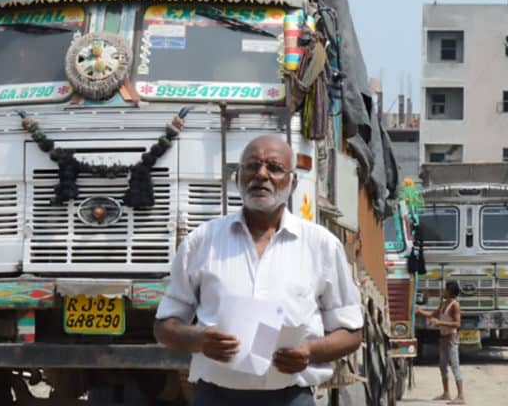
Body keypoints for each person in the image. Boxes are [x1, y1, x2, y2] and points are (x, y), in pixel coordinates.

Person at [154, 134, 363, 405]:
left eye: (274, 168)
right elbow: (164, 326)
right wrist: (199, 339)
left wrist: (310, 350)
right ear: (239, 176)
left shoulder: (321, 245)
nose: (261, 174)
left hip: (290, 397)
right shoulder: (202, 241)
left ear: (293, 182)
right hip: (215, 396)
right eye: (252, 166)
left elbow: (351, 333)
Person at [416, 280, 465, 404]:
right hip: (443, 338)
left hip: (451, 339)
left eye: (445, 289)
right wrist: (420, 311)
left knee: (455, 367)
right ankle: (446, 393)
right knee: (443, 366)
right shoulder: (444, 304)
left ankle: (461, 396)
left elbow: (458, 323)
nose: (443, 291)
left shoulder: (455, 305)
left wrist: (440, 323)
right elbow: (433, 314)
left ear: (449, 291)